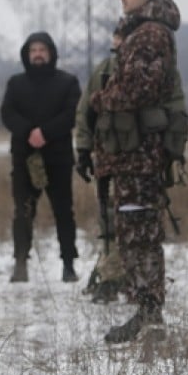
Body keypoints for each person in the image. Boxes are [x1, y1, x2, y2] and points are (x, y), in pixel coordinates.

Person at [91, 0, 186, 344]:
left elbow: (138, 89)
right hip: (132, 153)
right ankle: (144, 307)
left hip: (139, 154)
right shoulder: (142, 30)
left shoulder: (148, 35)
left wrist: (101, 99)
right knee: (133, 230)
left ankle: (149, 311)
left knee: (141, 230)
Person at [0, 31, 82, 282]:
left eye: (42, 50)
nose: (37, 54)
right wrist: (28, 133)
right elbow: (7, 113)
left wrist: (45, 133)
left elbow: (71, 115)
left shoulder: (68, 82)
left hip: (58, 158)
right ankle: (20, 264)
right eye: (33, 50)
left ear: (51, 53)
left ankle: (68, 265)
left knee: (63, 212)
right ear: (26, 55)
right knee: (23, 212)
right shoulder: (16, 83)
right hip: (24, 157)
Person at [76, 31, 124, 303]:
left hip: (135, 157)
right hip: (105, 156)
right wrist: (83, 149)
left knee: (128, 218)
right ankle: (109, 274)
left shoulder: (146, 66)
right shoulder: (103, 70)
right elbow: (85, 112)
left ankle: (119, 275)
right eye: (116, 36)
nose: (117, 41)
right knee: (107, 217)